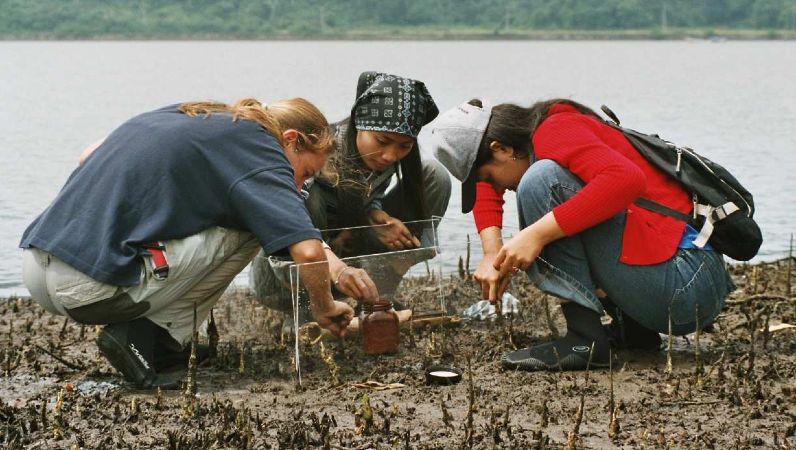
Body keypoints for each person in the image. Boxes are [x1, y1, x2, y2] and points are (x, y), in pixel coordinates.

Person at [20, 98, 354, 388]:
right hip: (86, 289)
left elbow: (87, 155)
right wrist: (324, 308)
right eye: (305, 174)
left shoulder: (199, 115)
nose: (299, 188)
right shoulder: (263, 148)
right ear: (291, 140)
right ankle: (150, 336)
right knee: (251, 225)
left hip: (37, 266)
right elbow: (307, 251)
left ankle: (164, 346)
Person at [430, 99, 736, 371]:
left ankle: (584, 340)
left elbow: (627, 181)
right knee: (554, 193)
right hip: (687, 282)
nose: (497, 189)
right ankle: (634, 331)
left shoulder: (556, 131)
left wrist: (535, 235)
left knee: (541, 182)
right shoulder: (537, 134)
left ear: (502, 149)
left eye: (488, 177)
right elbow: (488, 186)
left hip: (686, 284)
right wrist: (490, 253)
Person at [251, 72, 451, 318]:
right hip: (289, 271)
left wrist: (374, 213)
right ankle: (308, 311)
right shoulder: (319, 156)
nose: (390, 155)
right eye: (382, 141)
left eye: (404, 146)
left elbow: (365, 193)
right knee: (310, 196)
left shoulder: (385, 158)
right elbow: (285, 226)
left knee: (434, 174)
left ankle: (378, 298)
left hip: (347, 249)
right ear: (359, 124)